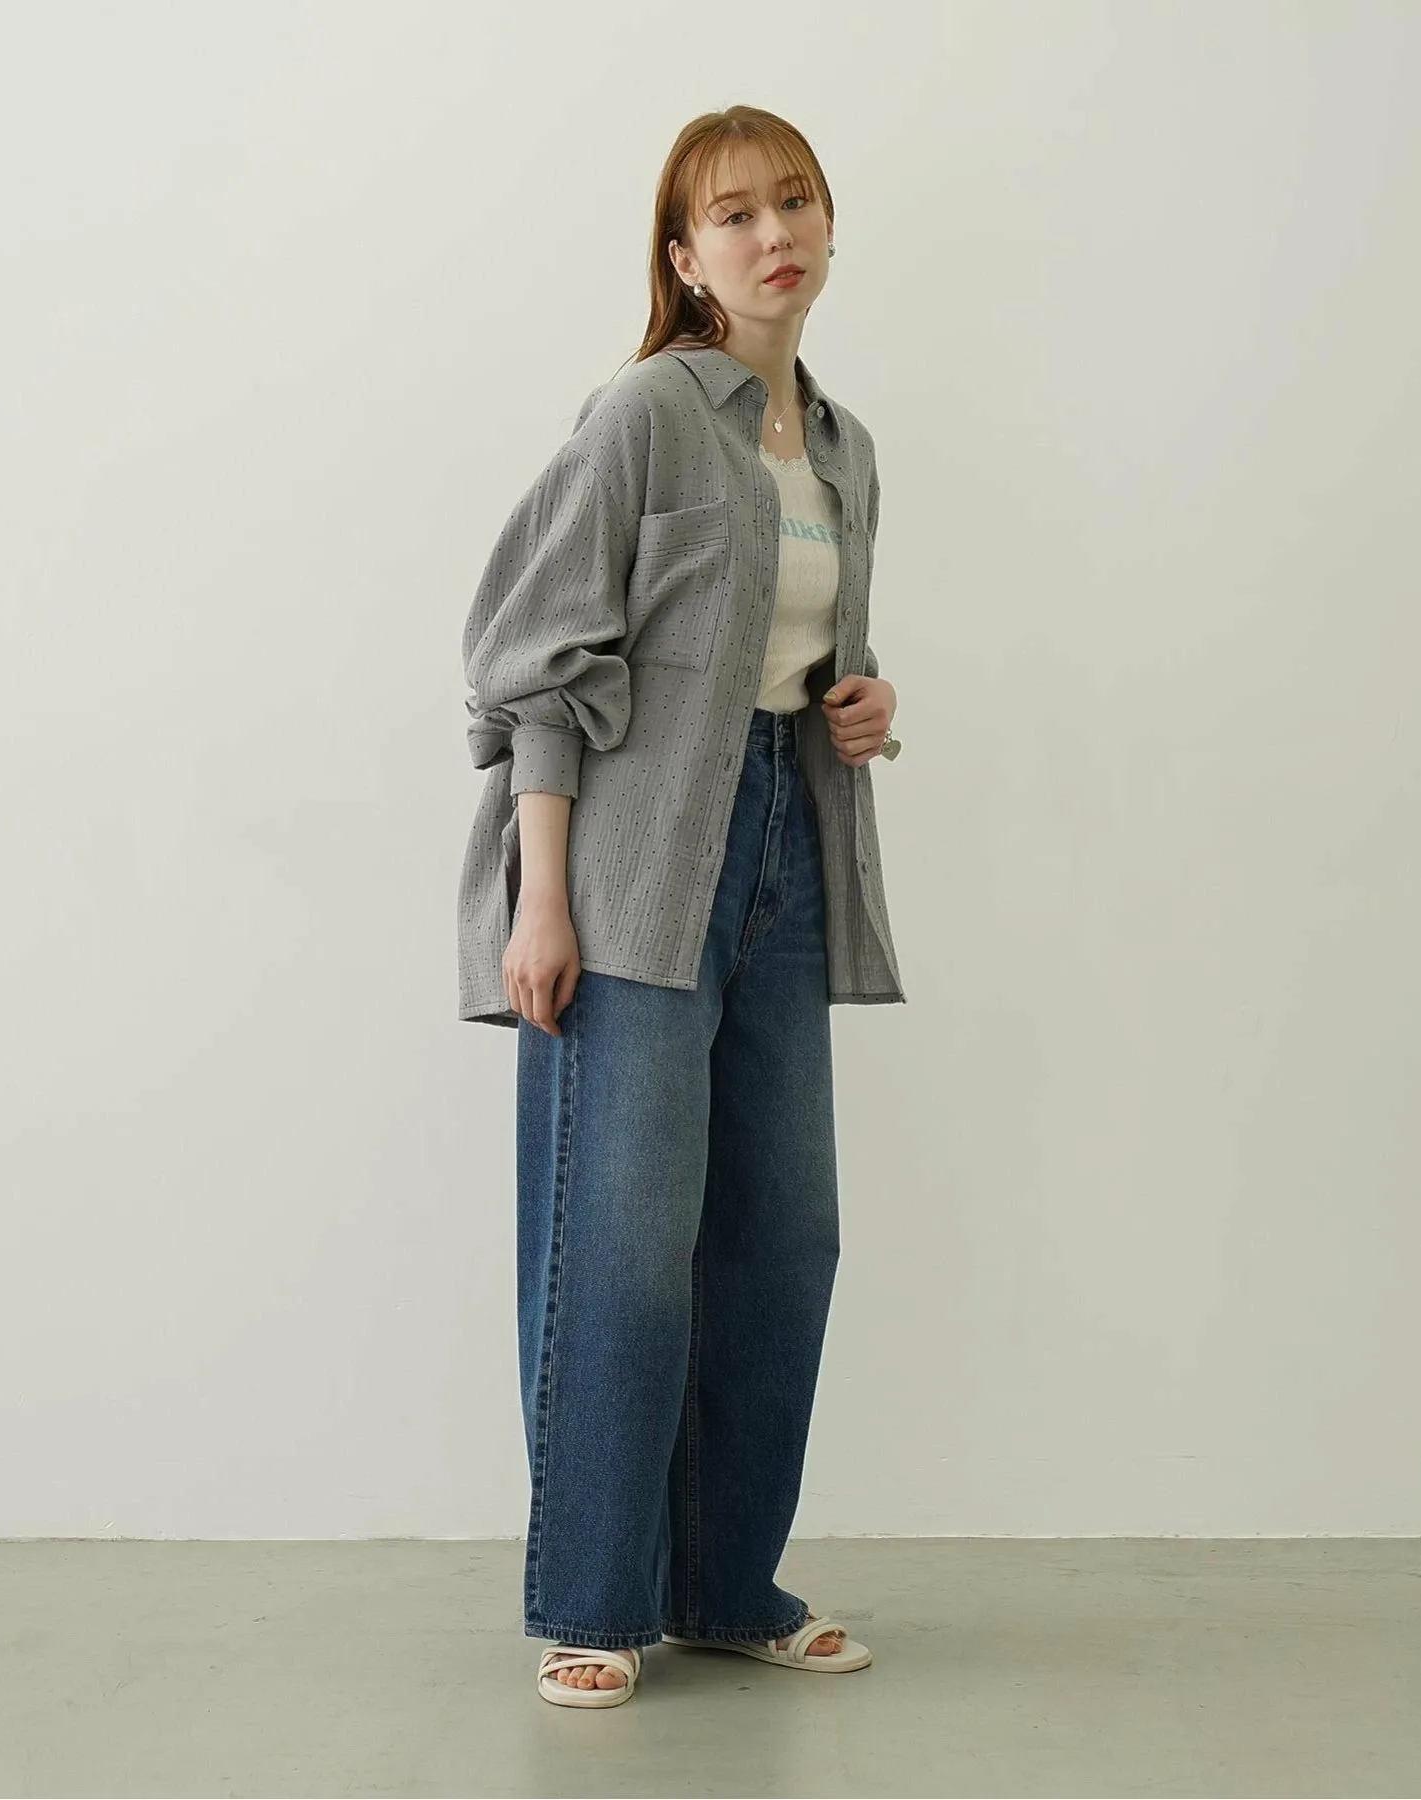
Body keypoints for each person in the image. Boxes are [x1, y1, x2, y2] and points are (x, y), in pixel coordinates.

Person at [457, 105, 906, 1709]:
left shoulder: (842, 446)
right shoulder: (646, 413)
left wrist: (863, 706)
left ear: (830, 224)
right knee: (626, 1246)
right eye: (734, 215)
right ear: (685, 257)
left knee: (785, 1237)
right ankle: (594, 1598)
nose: (773, 234)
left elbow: (794, 657)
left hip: (785, 852)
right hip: (636, 868)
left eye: (795, 201)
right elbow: (534, 661)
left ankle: (725, 1587)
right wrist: (544, 898)